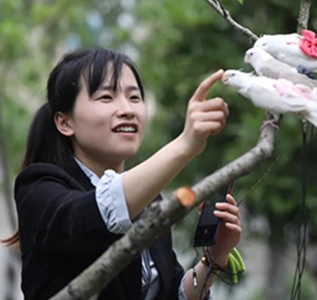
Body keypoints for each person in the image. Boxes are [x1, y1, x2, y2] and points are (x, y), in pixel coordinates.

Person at [11, 48, 241, 300]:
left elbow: (170, 292)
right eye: (106, 97)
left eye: (134, 98)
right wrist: (184, 145)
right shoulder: (38, 187)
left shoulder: (149, 199)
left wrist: (214, 257)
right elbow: (90, 218)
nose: (127, 109)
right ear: (65, 123)